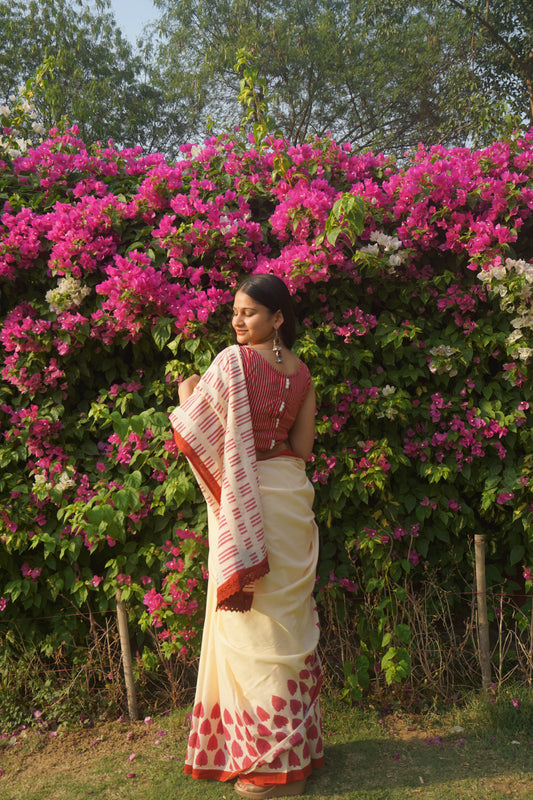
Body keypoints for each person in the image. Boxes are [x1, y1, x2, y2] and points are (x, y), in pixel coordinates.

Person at [169, 274, 323, 799]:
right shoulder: (303, 374)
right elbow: (302, 448)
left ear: (277, 318)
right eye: (235, 311)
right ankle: (296, 754)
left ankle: (264, 765)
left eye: (249, 312)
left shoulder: (231, 363)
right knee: (285, 628)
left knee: (253, 631)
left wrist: (187, 390)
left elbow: (190, 430)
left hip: (246, 499)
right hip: (290, 501)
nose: (238, 321)